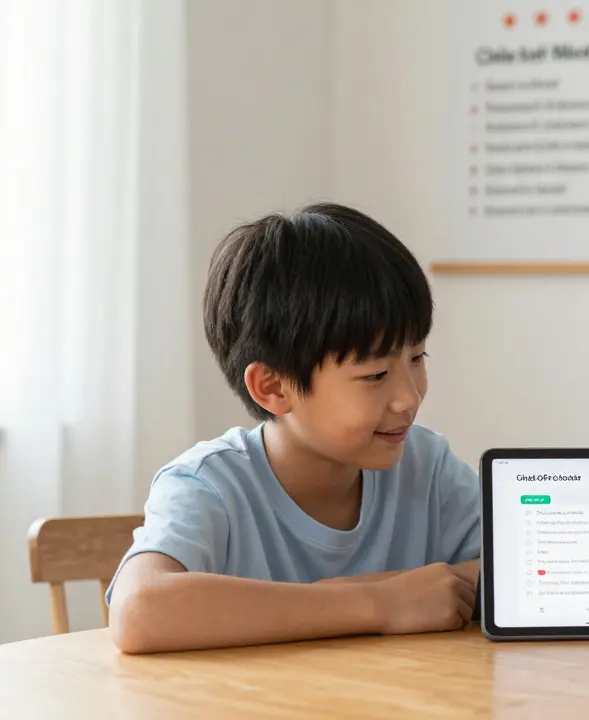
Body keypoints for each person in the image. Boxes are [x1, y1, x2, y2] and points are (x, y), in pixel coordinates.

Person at [107, 203, 481, 654]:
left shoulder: (427, 466)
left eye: (417, 359)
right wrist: (378, 602)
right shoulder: (210, 486)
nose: (410, 396)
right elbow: (139, 611)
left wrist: (417, 589)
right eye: (375, 375)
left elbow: (533, 567)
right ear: (274, 388)